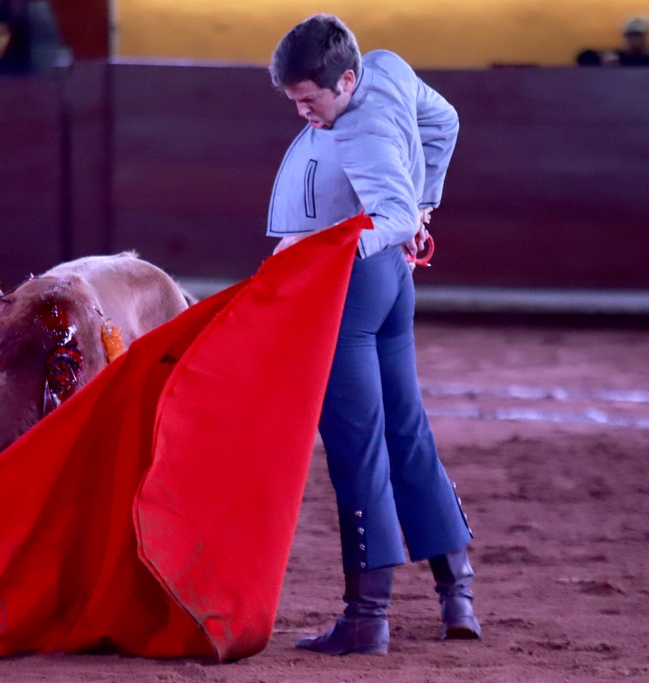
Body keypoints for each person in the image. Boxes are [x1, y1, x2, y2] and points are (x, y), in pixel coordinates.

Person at [266, 14, 478, 655]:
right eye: (294, 100)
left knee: (358, 443)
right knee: (406, 430)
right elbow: (446, 123)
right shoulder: (387, 66)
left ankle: (367, 617)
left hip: (351, 289)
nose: (303, 113)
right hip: (393, 284)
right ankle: (456, 594)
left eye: (309, 99)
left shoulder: (355, 134)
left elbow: (381, 215)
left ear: (346, 80)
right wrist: (425, 205)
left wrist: (309, 250)